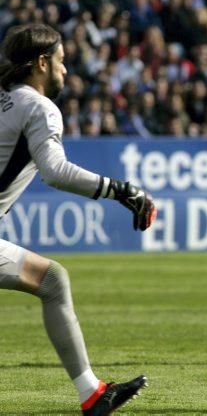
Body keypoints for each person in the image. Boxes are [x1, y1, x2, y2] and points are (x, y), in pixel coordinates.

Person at [0, 24, 156, 415]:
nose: (66, 71)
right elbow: (54, 171)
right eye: (62, 61)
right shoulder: (39, 107)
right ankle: (91, 393)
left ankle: (92, 393)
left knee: (52, 279)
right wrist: (121, 190)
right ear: (41, 63)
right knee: (53, 280)